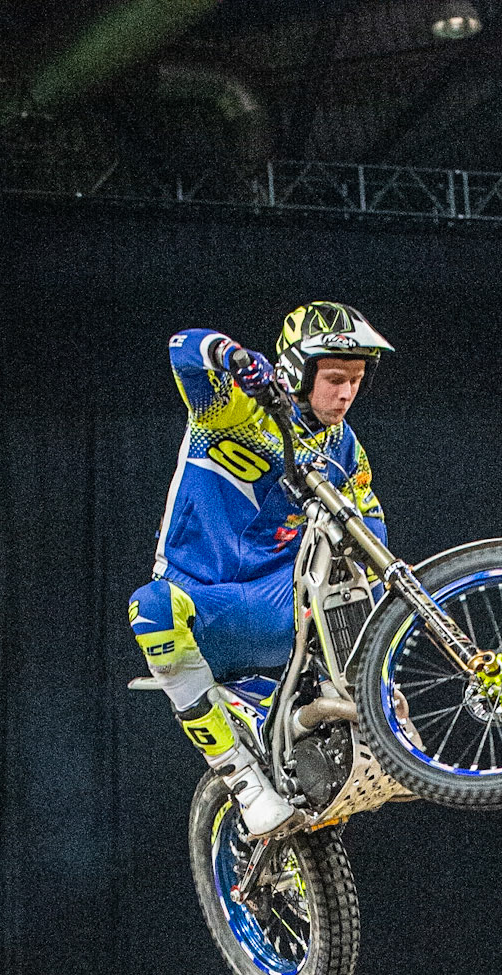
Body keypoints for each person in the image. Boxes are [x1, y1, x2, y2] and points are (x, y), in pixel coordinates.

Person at [128, 300, 393, 836]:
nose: (346, 394)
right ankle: (243, 779)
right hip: (203, 600)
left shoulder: (345, 449)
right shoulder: (231, 410)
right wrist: (232, 356)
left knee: (345, 566)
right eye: (336, 378)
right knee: (148, 608)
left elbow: (372, 524)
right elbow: (182, 347)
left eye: (357, 381)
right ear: (298, 369)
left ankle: (375, 711)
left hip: (276, 599)